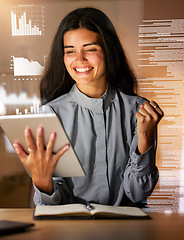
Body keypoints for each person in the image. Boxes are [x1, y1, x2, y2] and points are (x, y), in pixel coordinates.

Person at [13, 7, 164, 207]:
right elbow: (52, 206)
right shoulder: (50, 115)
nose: (79, 59)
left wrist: (145, 137)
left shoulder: (139, 111)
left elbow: (137, 193)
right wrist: (42, 181)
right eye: (70, 51)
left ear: (108, 50)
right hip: (70, 234)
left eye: (90, 49)